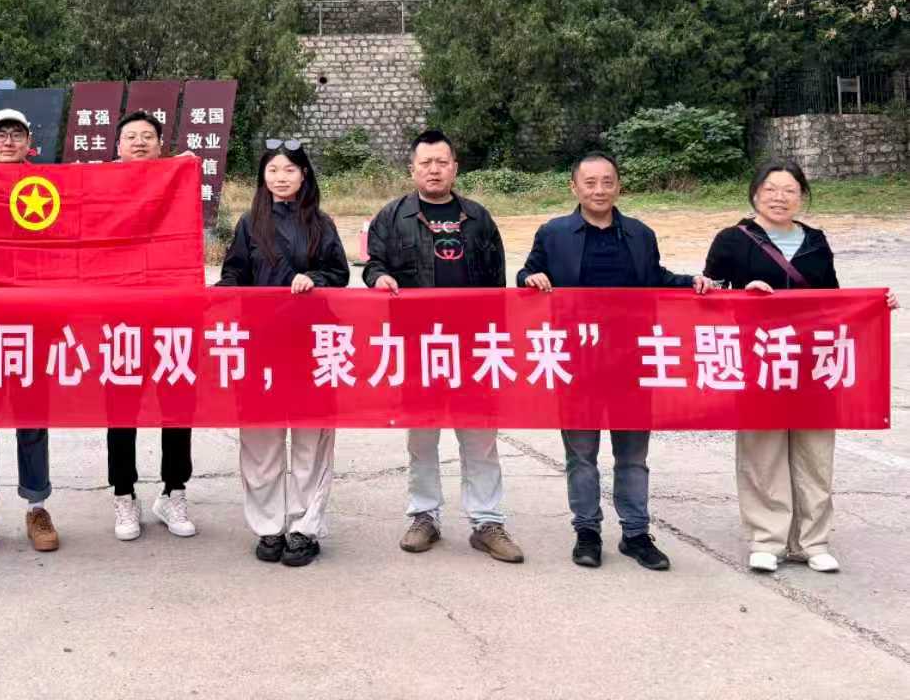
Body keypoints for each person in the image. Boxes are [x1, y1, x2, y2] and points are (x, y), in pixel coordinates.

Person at [518, 150, 719, 571]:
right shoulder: (553, 233)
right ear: (574, 187)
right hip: (577, 363)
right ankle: (587, 532)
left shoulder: (640, 234)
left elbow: (656, 279)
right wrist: (529, 278)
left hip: (632, 362)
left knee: (632, 457)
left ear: (618, 186)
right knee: (581, 455)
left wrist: (692, 282)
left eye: (607, 182)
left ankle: (636, 533)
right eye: (590, 183)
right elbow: (527, 275)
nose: (599, 190)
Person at [702, 160, 900, 575]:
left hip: (812, 363)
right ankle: (767, 540)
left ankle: (813, 541)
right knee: (762, 453)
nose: (780, 198)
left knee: (815, 453)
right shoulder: (731, 241)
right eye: (771, 189)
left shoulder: (815, 241)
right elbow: (708, 298)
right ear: (755, 193)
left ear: (801, 196)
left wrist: (875, 306)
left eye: (789, 190)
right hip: (759, 361)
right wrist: (742, 294)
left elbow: (834, 300)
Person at [363, 128, 524, 563]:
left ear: (455, 167)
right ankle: (424, 517)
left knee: (480, 439)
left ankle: (487, 522)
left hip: (473, 347)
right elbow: (373, 264)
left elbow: (497, 284)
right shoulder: (391, 216)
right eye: (425, 163)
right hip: (419, 346)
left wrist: (497, 342)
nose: (433, 170)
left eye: (441, 162)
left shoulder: (478, 218)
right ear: (412, 169)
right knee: (422, 438)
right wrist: (379, 277)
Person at [216, 141, 349, 566]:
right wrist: (219, 294)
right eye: (273, 170)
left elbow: (340, 274)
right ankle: (268, 527)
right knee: (261, 439)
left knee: (311, 439)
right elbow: (234, 272)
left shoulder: (321, 223)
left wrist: (314, 279)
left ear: (304, 175)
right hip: (261, 344)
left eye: (290, 169)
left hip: (311, 343)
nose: (281, 177)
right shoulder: (249, 223)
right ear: (263, 177)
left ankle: (305, 528)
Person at [0, 108, 61, 556]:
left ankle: (37, 505)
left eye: (16, 133)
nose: (7, 141)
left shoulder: (48, 187)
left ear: (28, 143)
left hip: (33, 322)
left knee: (32, 416)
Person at [106, 110, 196, 542]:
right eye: (131, 136)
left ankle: (173, 491)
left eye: (148, 136)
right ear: (117, 146)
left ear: (161, 146)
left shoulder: (175, 181)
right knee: (121, 409)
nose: (139, 142)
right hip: (120, 315)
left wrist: (184, 168)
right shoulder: (102, 185)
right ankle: (124, 494)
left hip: (171, 312)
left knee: (176, 405)